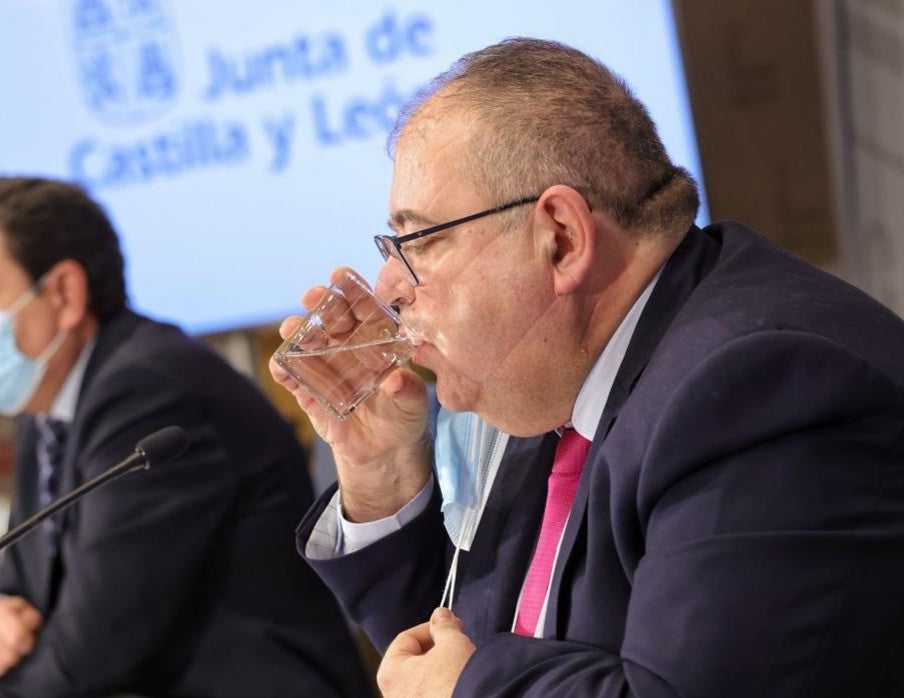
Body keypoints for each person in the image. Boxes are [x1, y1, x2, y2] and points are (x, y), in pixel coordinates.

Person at [271, 38, 904, 696]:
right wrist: (382, 475)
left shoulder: (760, 393)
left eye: (422, 241)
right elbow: (451, 652)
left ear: (562, 238)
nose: (389, 287)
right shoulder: (550, 374)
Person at [0, 176, 373, 697]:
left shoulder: (150, 393)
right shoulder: (45, 405)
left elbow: (93, 655)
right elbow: (24, 586)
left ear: (64, 293)